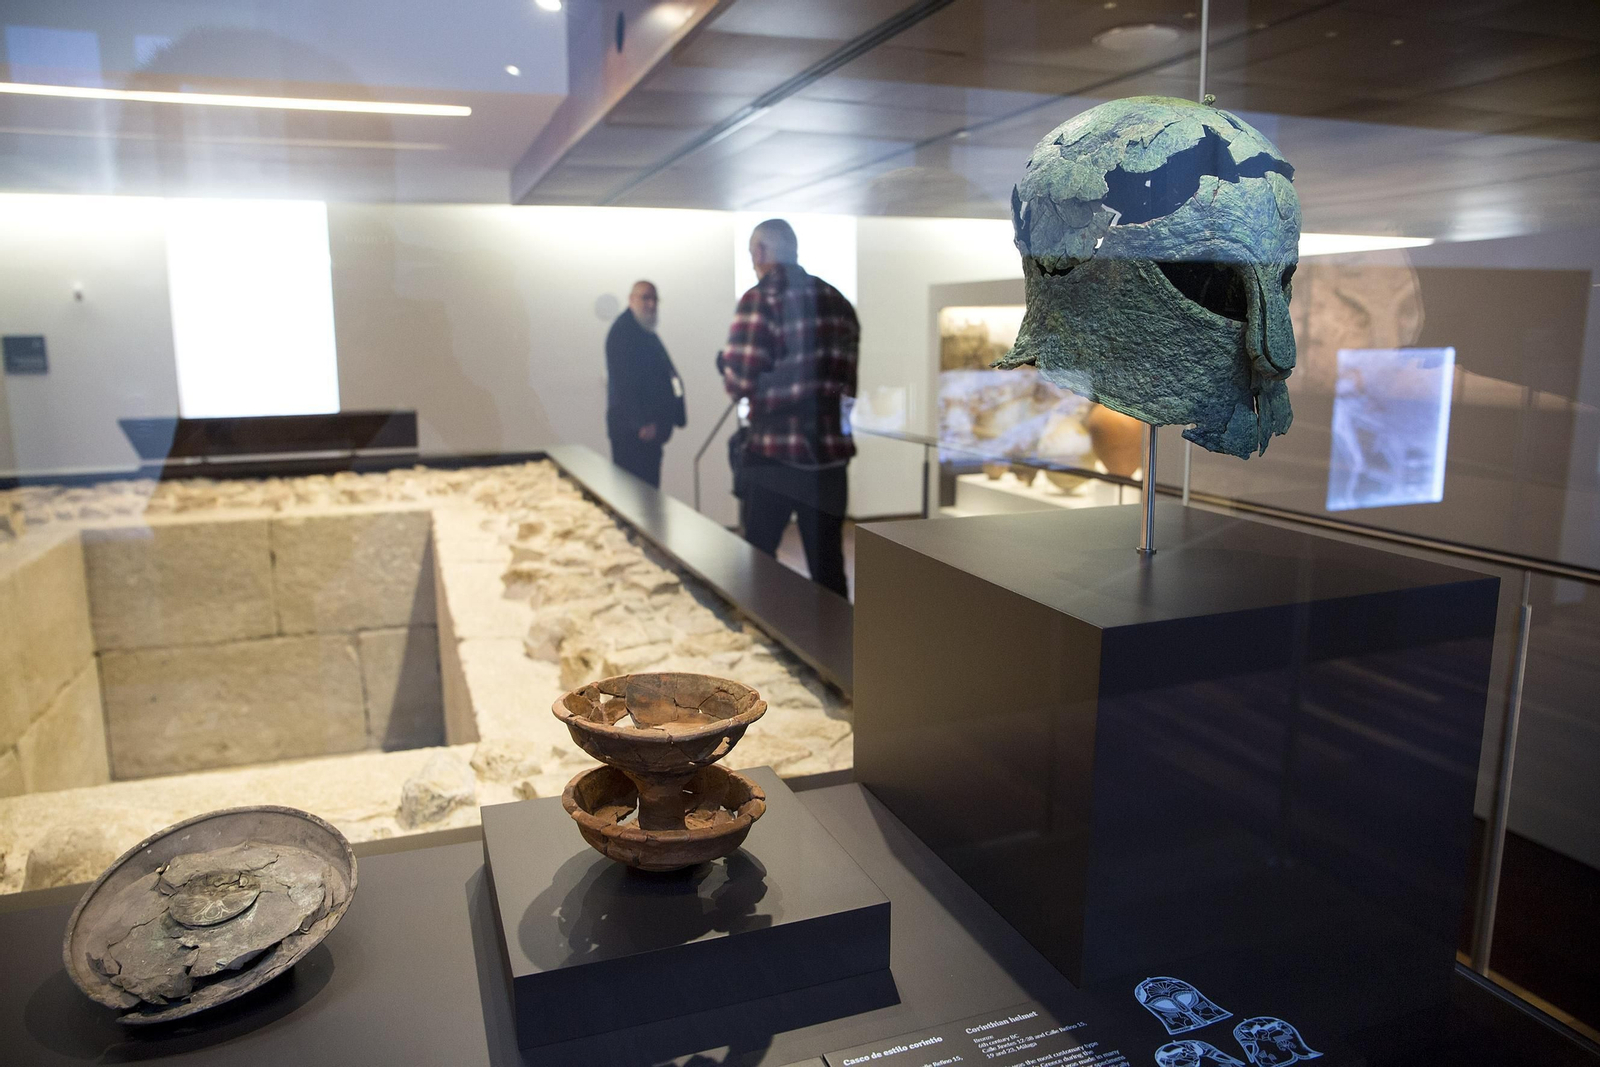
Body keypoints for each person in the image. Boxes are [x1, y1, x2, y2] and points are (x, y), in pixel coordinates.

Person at [717, 219, 859, 598]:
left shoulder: (760, 299)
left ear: (762, 253)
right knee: (828, 568)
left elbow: (739, 384)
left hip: (774, 457)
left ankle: (762, 649)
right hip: (829, 461)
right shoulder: (838, 301)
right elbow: (848, 387)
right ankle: (835, 650)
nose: (752, 263)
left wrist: (728, 369)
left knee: (759, 563)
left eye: (752, 254)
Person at [605, 280, 686, 488]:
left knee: (648, 493)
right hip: (634, 434)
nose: (651, 304)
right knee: (633, 494)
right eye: (645, 298)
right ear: (631, 300)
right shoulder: (623, 332)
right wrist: (640, 422)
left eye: (654, 299)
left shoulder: (645, 332)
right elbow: (624, 382)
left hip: (651, 430)